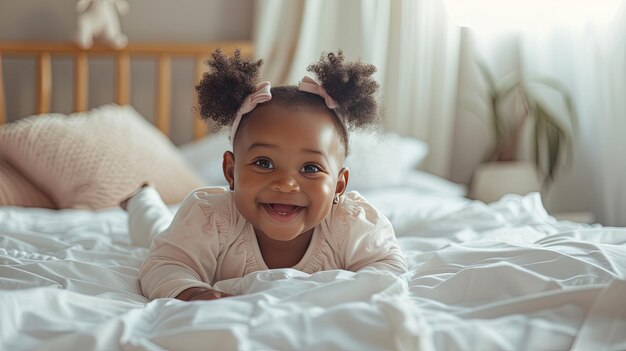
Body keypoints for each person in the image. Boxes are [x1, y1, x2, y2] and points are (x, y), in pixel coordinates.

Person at [124, 49, 407, 302]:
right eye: (264, 163)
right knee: (154, 230)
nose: (285, 183)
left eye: (310, 168)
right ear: (231, 172)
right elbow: (164, 264)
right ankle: (141, 200)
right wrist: (192, 292)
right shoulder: (211, 218)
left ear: (339, 185)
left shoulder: (351, 225)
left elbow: (388, 269)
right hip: (186, 233)